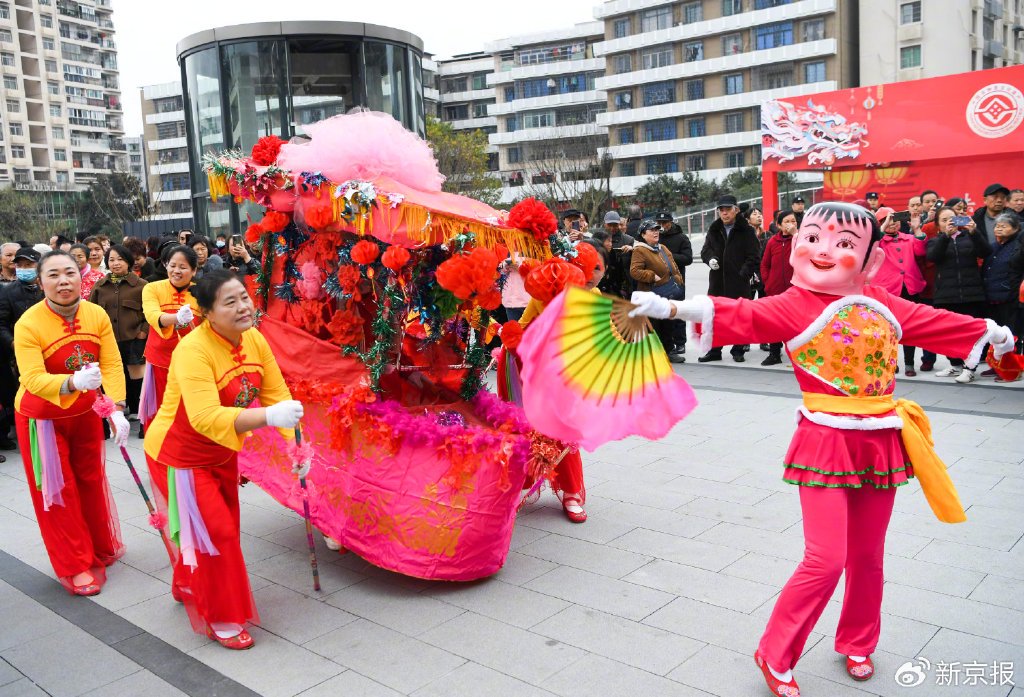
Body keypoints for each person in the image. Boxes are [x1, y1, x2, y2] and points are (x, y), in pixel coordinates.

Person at [628, 201, 1015, 697]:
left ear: (871, 258)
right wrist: (673, 307)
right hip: (825, 441)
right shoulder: (795, 303)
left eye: (845, 244)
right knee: (826, 558)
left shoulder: (883, 302)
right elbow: (746, 313)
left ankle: (858, 639)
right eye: (812, 238)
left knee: (869, 556)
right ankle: (775, 652)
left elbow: (938, 322)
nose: (825, 251)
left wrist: (995, 334)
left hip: (880, 441)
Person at [144, 270, 305, 648]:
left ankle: (186, 579)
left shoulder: (254, 339)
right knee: (219, 533)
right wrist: (267, 418)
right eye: (229, 302)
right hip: (180, 454)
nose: (243, 307)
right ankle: (222, 618)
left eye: (244, 297)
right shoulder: (192, 350)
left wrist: (297, 447)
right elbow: (203, 417)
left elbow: (275, 392)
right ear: (206, 313)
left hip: (222, 450)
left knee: (213, 528)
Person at [14, 250, 130, 596]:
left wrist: (118, 408)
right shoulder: (29, 324)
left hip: (84, 413)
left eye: (69, 273)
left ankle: (99, 545)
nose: (63, 281)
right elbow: (32, 378)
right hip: (43, 418)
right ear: (41, 282)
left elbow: (111, 361)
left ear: (82, 276)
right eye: (53, 275)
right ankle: (76, 563)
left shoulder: (96, 313)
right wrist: (71, 383)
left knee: (91, 479)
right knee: (58, 490)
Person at [927, 206, 991, 382]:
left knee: (971, 333)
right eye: (945, 220)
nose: (950, 223)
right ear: (938, 225)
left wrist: (975, 232)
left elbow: (986, 252)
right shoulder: (935, 241)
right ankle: (955, 366)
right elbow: (933, 257)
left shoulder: (969, 237)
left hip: (972, 293)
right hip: (946, 295)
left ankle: (970, 368)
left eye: (953, 219)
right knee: (950, 333)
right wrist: (946, 237)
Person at [139, 246, 201, 427]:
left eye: (183, 267)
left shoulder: (203, 291)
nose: (176, 271)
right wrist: (176, 318)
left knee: (189, 408)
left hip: (194, 360)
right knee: (162, 408)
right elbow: (151, 315)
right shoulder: (152, 288)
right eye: (172, 265)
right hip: (160, 359)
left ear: (194, 270)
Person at [90, 245, 148, 424]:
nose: (115, 264)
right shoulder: (100, 286)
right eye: (111, 260)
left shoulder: (141, 285)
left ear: (129, 262)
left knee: (136, 376)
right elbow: (91, 311)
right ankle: (112, 413)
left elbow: (150, 313)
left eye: (120, 259)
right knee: (110, 377)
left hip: (133, 338)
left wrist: (143, 332)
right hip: (108, 340)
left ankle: (139, 412)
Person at [698, 194, 760, 362]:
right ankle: (715, 351)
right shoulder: (714, 229)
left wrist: (743, 274)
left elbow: (754, 256)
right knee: (715, 317)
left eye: (728, 210)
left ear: (736, 210)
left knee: (739, 318)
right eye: (721, 210)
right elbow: (705, 250)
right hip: (717, 282)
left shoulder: (746, 230)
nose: (724, 213)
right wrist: (709, 259)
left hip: (738, 283)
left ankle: (738, 350)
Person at [872, 208, 928, 376]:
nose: (892, 223)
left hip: (909, 288)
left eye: (895, 219)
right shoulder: (878, 241)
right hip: (887, 290)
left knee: (909, 327)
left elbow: (921, 251)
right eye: (887, 220)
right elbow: (873, 242)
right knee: (887, 329)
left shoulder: (909, 239)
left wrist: (917, 230)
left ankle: (910, 364)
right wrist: (881, 228)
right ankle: (891, 362)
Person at [0, 247, 45, 451]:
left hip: (50, 347)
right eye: (20, 265)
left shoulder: (48, 288)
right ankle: (31, 431)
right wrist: (14, 343)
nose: (24, 269)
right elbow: (1, 323)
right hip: (21, 353)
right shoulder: (7, 292)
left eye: (29, 265)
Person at [630, 220, 685, 363]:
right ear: (643, 234)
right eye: (651, 230)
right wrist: (651, 276)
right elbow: (634, 271)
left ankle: (669, 351)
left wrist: (678, 278)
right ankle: (655, 354)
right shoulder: (640, 250)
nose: (656, 232)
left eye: (656, 229)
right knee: (654, 326)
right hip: (651, 293)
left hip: (667, 293)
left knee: (668, 323)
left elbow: (673, 265)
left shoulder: (662, 248)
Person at [759, 210, 798, 366]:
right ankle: (774, 353)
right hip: (774, 290)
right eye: (787, 221)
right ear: (779, 225)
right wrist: (768, 282)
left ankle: (797, 354)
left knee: (794, 323)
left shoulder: (802, 239)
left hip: (795, 291)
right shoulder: (772, 242)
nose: (791, 224)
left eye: (794, 221)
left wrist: (796, 235)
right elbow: (764, 264)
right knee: (774, 323)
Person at [981, 213, 1023, 347]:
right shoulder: (993, 246)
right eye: (997, 226)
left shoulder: (1018, 247)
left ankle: (1009, 365)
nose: (999, 229)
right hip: (991, 297)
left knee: (1010, 334)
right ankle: (996, 365)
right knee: (995, 334)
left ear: (1016, 229)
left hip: (1010, 297)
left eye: (1004, 226)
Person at [655, 212, 692, 361]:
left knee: (678, 311)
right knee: (662, 313)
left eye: (665, 223)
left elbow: (688, 258)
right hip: (659, 282)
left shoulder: (681, 238)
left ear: (671, 222)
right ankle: (665, 343)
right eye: (660, 223)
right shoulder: (654, 237)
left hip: (676, 281)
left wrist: (669, 256)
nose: (662, 226)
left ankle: (680, 342)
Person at [602, 211, 636, 298]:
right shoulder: (598, 239)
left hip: (624, 284)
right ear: (604, 224)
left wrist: (632, 249)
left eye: (615, 225)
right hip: (604, 283)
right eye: (610, 225)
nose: (612, 228)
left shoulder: (629, 240)